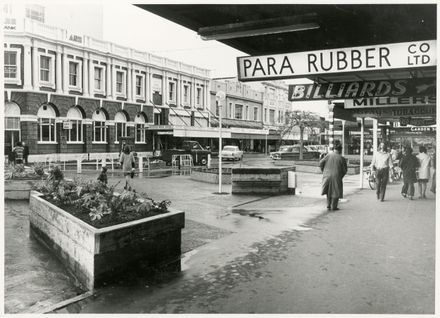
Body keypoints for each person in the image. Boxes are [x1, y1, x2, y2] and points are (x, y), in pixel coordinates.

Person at [319, 144, 347, 211]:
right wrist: (341, 176)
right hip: (336, 176)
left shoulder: (328, 155)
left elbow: (321, 163)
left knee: (328, 190)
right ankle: (334, 206)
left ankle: (328, 205)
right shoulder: (342, 158)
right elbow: (344, 170)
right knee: (335, 191)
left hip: (327, 175)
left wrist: (324, 171)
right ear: (340, 150)